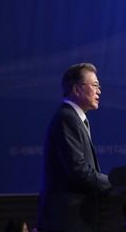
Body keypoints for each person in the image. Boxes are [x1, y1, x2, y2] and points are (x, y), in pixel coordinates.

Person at [37, 63, 113, 232]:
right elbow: (77, 168)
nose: (99, 91)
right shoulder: (67, 118)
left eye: (98, 86)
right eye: (94, 86)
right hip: (67, 219)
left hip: (75, 218)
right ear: (76, 89)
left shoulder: (76, 119)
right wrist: (112, 183)